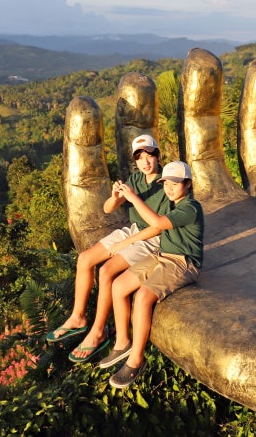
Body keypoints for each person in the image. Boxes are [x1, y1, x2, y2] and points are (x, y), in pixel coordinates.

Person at [46, 134, 170, 363]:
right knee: (84, 259)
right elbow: (107, 209)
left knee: (106, 271)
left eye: (149, 155)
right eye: (140, 157)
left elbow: (158, 227)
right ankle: (78, 317)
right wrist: (115, 197)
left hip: (152, 238)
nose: (145, 162)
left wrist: (126, 242)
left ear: (157, 155)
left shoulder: (166, 182)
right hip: (134, 230)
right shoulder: (135, 179)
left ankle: (98, 331)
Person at [98, 160, 204, 388]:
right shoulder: (173, 204)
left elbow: (156, 222)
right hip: (162, 254)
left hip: (182, 262)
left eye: (175, 183)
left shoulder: (190, 207)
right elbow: (153, 228)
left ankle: (136, 360)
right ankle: (123, 342)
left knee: (143, 297)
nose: (169, 188)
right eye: (166, 183)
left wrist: (133, 196)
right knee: (118, 286)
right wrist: (126, 240)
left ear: (187, 184)